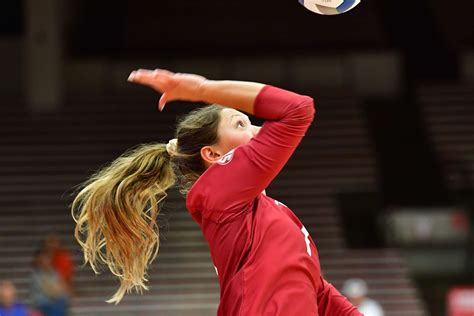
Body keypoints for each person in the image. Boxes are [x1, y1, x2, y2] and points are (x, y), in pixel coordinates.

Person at [72, 68, 362, 315]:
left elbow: (318, 292)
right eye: (241, 124)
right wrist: (201, 88)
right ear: (212, 154)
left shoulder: (273, 209)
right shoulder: (219, 194)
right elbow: (296, 109)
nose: (260, 131)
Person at [30, 250, 68, 316]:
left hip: (55, 300)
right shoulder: (37, 275)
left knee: (62, 302)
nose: (47, 261)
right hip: (42, 302)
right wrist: (56, 290)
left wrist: (58, 291)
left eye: (47, 259)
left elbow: (62, 287)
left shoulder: (54, 272)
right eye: (44, 259)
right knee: (56, 308)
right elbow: (49, 291)